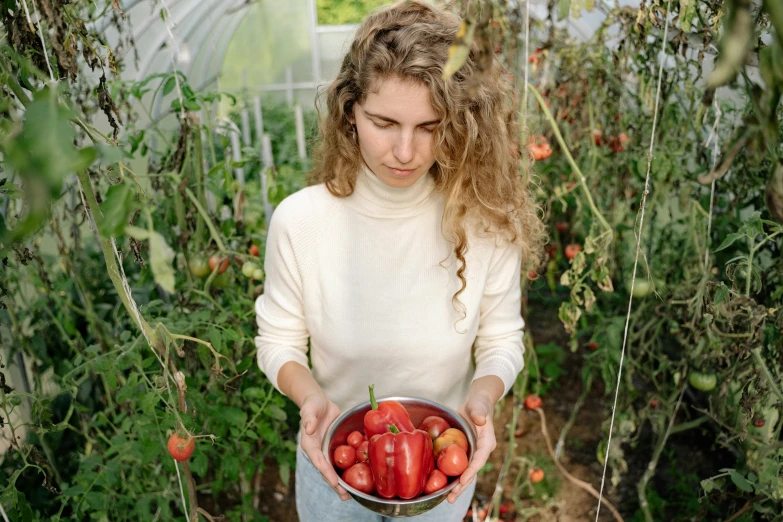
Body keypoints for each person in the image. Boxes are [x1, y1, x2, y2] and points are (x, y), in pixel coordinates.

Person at [254, 1, 545, 520]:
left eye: (429, 127)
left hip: (439, 475)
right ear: (350, 112)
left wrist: (482, 398)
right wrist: (311, 400)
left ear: (459, 125)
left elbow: (501, 340)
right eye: (384, 122)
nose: (405, 151)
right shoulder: (300, 221)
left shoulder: (485, 223)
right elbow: (278, 341)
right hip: (337, 469)